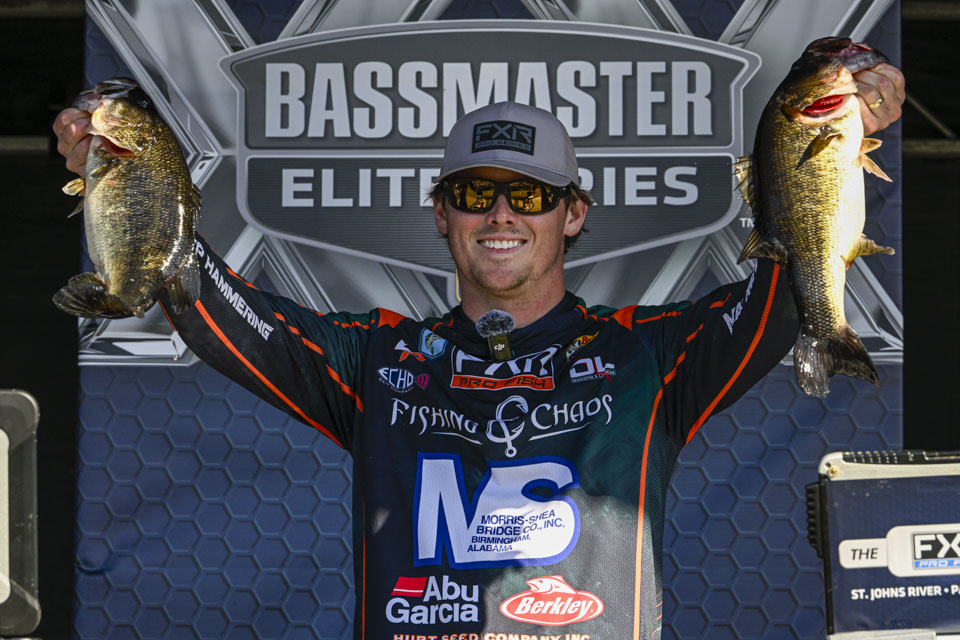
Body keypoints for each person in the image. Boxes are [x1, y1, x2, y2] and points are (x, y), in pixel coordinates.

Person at [54, 47, 904, 639]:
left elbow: (786, 290)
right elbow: (219, 309)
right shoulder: (379, 361)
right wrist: (133, 172)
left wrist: (840, 98)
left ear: (574, 214)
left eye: (529, 196)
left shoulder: (645, 355)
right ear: (441, 213)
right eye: (475, 192)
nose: (500, 214)